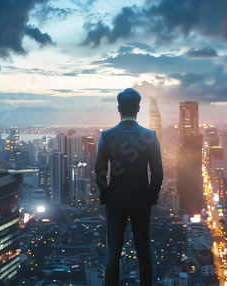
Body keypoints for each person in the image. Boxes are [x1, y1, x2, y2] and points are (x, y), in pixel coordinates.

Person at [95, 88, 163, 286]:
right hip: (141, 200)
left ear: (119, 109)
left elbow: (99, 170)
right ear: (139, 109)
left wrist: (105, 195)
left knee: (113, 252)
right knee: (143, 249)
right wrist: (151, 197)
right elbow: (157, 173)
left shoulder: (107, 135)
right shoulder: (150, 135)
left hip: (115, 201)